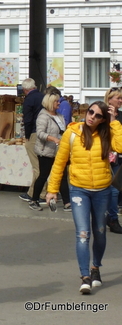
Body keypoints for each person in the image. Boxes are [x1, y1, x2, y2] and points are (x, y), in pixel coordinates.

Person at [46, 101, 122, 294]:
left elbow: (120, 146)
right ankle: (85, 276)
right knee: (82, 234)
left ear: (102, 119)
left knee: (100, 232)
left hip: (102, 190)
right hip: (79, 190)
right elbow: (59, 163)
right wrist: (52, 189)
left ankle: (95, 268)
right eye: (90, 112)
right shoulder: (72, 134)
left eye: (97, 116)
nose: (92, 117)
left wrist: (114, 121)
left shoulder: (108, 134)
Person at [28, 92, 70, 211]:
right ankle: (34, 200)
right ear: (51, 103)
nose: (59, 103)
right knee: (43, 175)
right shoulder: (43, 116)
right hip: (46, 151)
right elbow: (40, 133)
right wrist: (53, 138)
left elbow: (63, 131)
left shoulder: (60, 116)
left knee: (62, 175)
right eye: (57, 101)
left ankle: (67, 202)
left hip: (59, 151)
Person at [19, 78, 44, 202]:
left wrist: (27, 135)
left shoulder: (29, 99)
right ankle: (34, 192)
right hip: (46, 134)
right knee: (43, 165)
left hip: (34, 133)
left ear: (25, 89)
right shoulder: (43, 97)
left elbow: (28, 119)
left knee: (37, 166)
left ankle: (39, 193)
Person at [103, 87, 122, 234]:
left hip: (118, 158)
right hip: (103, 157)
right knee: (103, 190)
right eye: (118, 98)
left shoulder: (120, 116)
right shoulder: (101, 114)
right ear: (109, 99)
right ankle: (105, 217)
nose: (121, 101)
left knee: (114, 190)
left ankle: (113, 218)